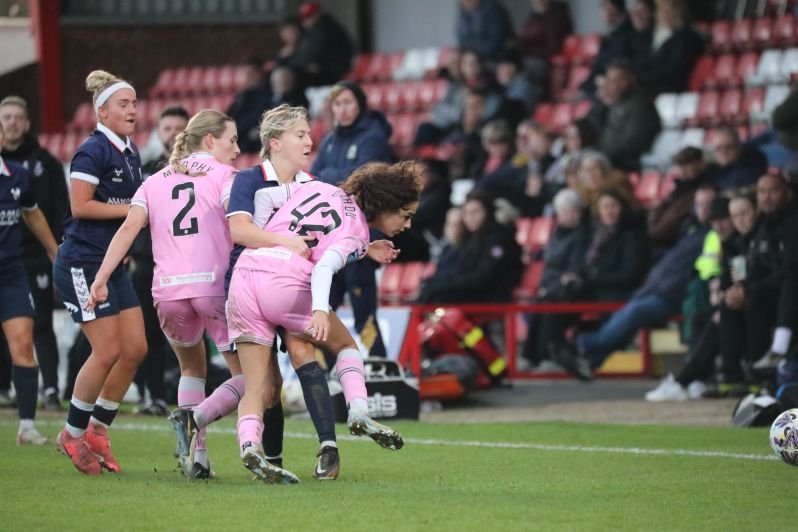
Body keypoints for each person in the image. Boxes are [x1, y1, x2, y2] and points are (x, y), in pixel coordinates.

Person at [172, 105, 399, 482]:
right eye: (300, 134)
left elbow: (333, 231)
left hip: (286, 282)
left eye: (309, 133)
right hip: (249, 283)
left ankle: (326, 449)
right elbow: (240, 233)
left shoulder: (313, 184)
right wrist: (286, 243)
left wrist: (367, 245)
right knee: (264, 385)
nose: (310, 140)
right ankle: (245, 443)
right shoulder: (248, 181)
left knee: (298, 353)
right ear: (274, 143)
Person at [229, 161, 419, 483]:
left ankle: (249, 445)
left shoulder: (318, 187)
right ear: (385, 205)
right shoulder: (357, 233)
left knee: (257, 384)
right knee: (345, 345)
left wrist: (365, 248)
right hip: (286, 284)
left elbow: (273, 207)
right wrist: (319, 309)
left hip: (245, 275)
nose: (408, 224)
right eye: (405, 214)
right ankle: (358, 410)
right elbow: (324, 266)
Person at [86, 110, 240, 480]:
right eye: (231, 140)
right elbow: (244, 226)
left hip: (168, 291)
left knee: (192, 368)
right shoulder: (225, 176)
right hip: (213, 287)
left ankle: (198, 460)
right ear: (209, 141)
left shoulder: (154, 181)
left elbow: (128, 229)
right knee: (255, 375)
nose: (236, 149)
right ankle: (195, 419)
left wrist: (101, 277)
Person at [53, 70, 147, 476]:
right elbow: (80, 206)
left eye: (135, 103)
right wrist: (134, 211)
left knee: (136, 350)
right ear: (102, 111)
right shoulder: (92, 150)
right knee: (107, 350)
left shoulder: (129, 150)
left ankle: (97, 429)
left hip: (110, 265)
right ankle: (71, 434)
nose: (132, 110)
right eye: (123, 104)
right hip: (81, 262)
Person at [555, 186, 716, 379]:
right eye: (699, 204)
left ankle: (582, 344)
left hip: (673, 294)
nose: (704, 209)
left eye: (709, 204)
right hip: (656, 287)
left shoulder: (712, 234)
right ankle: (590, 359)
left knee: (634, 311)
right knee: (628, 310)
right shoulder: (690, 230)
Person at [312, 81, 394, 358]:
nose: (343, 109)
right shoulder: (330, 141)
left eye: (348, 103)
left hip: (362, 236)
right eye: (338, 104)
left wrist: (332, 176)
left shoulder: (373, 137)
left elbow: (362, 179)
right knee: (324, 311)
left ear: (359, 105)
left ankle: (381, 368)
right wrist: (337, 176)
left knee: (364, 314)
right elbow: (314, 179)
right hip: (331, 238)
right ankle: (328, 377)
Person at [0, 95, 68, 411]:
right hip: (8, 260)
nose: (11, 123)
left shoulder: (42, 165)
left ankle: (50, 390)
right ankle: (6, 389)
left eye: (17, 117)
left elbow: (49, 212)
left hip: (29, 259)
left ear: (26, 123)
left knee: (36, 325)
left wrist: (55, 250)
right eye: (5, 118)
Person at [132, 105, 189, 416]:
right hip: (147, 261)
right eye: (167, 129)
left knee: (197, 334)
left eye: (180, 128)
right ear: (158, 132)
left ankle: (198, 397)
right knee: (149, 334)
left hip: (190, 263)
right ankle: (153, 395)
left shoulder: (201, 171)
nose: (174, 135)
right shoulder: (143, 169)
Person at [417, 189, 522, 303]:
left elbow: (484, 278)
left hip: (490, 296)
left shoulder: (499, 240)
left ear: (488, 212)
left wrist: (445, 284)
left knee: (437, 297)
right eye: (466, 213)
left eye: (475, 212)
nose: (470, 217)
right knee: (429, 292)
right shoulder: (469, 239)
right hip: (470, 291)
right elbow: (458, 271)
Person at [597, 59, 662, 172]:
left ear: (631, 78)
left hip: (630, 164)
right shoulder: (617, 102)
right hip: (613, 159)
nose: (615, 84)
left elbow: (633, 142)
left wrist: (603, 152)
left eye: (619, 79)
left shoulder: (640, 104)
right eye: (611, 80)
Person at [634, 0, 705, 95]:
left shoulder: (687, 37)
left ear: (679, 11)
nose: (664, 14)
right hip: (655, 88)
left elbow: (674, 70)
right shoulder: (660, 37)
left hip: (671, 91)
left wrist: (642, 78)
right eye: (661, 10)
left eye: (669, 10)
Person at [293, 1, 354, 87]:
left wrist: (302, 64)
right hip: (324, 69)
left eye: (308, 17)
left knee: (293, 75)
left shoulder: (326, 28)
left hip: (333, 72)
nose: (305, 21)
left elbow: (315, 53)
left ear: (318, 14)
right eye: (303, 18)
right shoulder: (312, 31)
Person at [226, 58, 271, 154]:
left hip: (251, 136)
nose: (249, 77)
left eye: (252, 73)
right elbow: (229, 115)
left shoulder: (267, 93)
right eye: (246, 73)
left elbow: (258, 115)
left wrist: (236, 129)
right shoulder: (242, 95)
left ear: (260, 72)